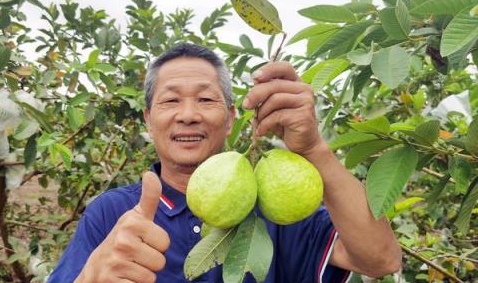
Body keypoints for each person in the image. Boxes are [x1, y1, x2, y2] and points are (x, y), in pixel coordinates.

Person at [48, 43, 402, 283]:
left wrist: (313, 148)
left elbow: (381, 260)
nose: (188, 115)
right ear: (147, 119)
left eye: (205, 99)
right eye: (171, 101)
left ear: (231, 118)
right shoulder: (112, 214)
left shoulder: (276, 210)